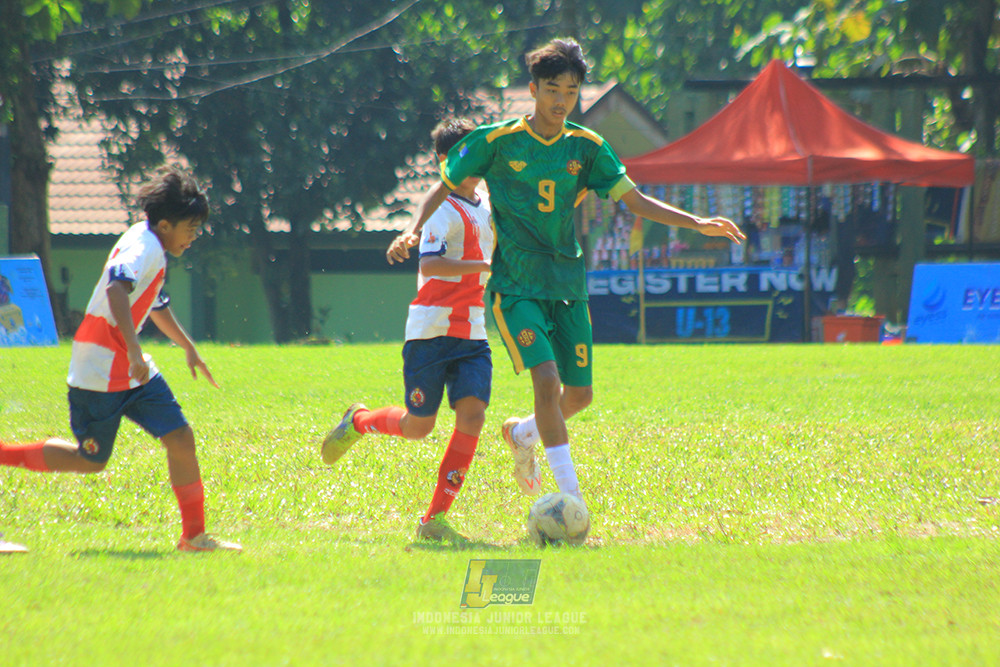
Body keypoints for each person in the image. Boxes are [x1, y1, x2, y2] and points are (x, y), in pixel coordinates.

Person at [387, 38, 745, 505]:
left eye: (571, 92)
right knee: (546, 379)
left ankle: (521, 435)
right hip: (516, 287)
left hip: (567, 285)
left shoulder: (588, 147)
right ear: (533, 89)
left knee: (579, 396)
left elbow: (634, 200)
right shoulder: (496, 141)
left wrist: (697, 222)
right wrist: (412, 231)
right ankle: (571, 500)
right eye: (553, 90)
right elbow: (443, 185)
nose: (561, 101)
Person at [0, 167, 240, 553]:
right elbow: (116, 290)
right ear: (166, 224)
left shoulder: (151, 243)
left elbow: (153, 302)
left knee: (180, 438)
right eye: (191, 228)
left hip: (132, 370)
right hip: (99, 369)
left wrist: (187, 346)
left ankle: (194, 537)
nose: (194, 237)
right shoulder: (143, 247)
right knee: (90, 461)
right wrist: (133, 350)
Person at [322, 118, 494, 544]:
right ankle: (359, 421)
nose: (475, 162)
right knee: (419, 427)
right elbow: (430, 264)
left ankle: (434, 518)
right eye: (465, 155)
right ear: (444, 162)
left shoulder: (487, 202)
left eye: (478, 152)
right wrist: (487, 266)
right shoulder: (442, 210)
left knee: (473, 416)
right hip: (431, 332)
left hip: (473, 332)